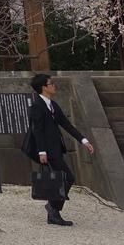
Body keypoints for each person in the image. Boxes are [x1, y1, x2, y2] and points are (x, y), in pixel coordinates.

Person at [26, 73, 95, 226]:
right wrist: (42, 151)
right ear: (44, 87)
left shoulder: (52, 105)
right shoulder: (37, 106)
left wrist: (84, 140)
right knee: (67, 177)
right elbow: (37, 130)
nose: (54, 85)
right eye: (51, 83)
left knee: (62, 179)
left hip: (56, 149)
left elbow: (66, 125)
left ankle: (53, 211)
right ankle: (53, 208)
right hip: (48, 151)